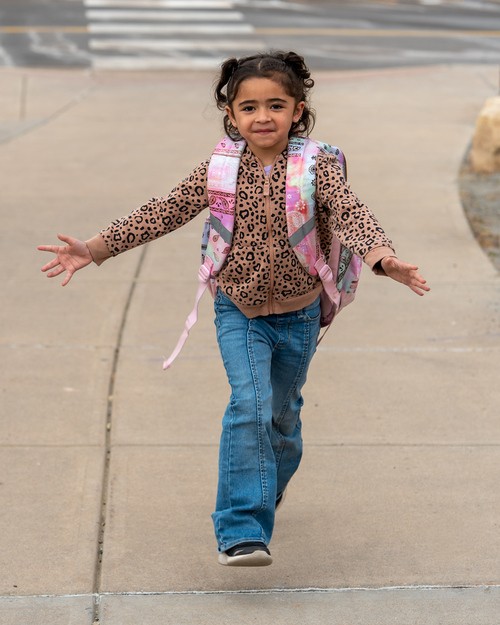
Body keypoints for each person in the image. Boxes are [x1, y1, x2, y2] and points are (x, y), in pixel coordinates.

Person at [38, 51, 429, 568]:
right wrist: (95, 248)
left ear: (297, 110)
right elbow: (165, 210)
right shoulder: (219, 169)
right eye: (249, 107)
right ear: (232, 114)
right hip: (237, 310)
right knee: (250, 405)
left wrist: (383, 257)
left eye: (276, 105)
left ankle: (267, 482)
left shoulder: (316, 168)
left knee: (282, 419)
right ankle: (242, 530)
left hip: (300, 314)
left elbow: (351, 213)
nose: (262, 116)